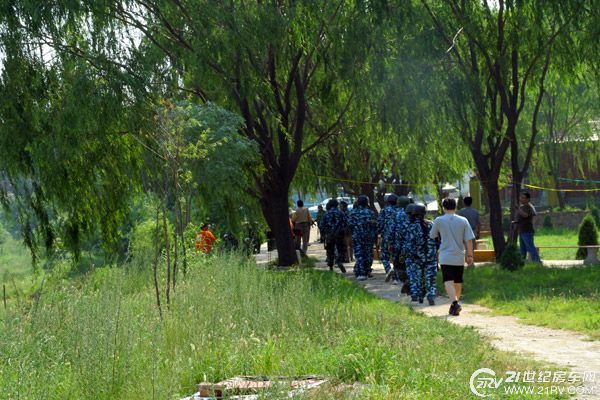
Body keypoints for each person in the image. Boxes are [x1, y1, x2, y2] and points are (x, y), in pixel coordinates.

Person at [430, 198, 475, 316]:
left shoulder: (439, 220)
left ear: (443, 207)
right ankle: (455, 304)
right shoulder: (463, 220)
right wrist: (470, 255)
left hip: (445, 255)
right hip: (459, 255)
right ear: (455, 207)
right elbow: (469, 239)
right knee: (458, 281)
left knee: (448, 281)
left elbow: (432, 235)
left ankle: (455, 303)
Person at [403, 203, 439, 305]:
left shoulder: (412, 227)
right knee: (430, 279)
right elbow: (438, 241)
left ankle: (419, 296)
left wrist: (409, 255)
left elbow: (409, 245)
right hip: (431, 257)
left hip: (417, 258)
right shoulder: (431, 224)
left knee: (418, 277)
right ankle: (431, 296)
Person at [348, 195, 378, 280]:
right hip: (369, 237)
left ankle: (361, 273)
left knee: (359, 254)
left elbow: (349, 225)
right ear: (366, 203)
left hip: (357, 237)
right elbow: (376, 225)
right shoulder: (370, 213)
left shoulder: (353, 213)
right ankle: (367, 270)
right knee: (368, 254)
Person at [390, 196, 412, 293]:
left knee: (398, 263)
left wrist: (390, 242)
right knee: (409, 262)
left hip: (397, 244)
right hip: (409, 243)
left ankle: (402, 280)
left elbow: (391, 230)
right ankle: (409, 280)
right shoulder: (411, 213)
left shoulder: (395, 214)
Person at [319, 199, 347, 273]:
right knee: (341, 249)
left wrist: (323, 234)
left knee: (330, 250)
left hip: (329, 235)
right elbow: (345, 223)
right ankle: (339, 260)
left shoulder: (326, 214)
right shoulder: (340, 213)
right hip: (339, 234)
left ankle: (331, 266)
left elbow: (321, 225)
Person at [377, 194, 400, 284]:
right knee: (395, 257)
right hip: (397, 237)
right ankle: (396, 279)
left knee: (384, 255)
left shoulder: (384, 210)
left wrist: (379, 231)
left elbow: (380, 223)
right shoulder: (399, 211)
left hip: (386, 236)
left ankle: (388, 269)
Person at [513, 191, 541, 262]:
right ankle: (522, 263)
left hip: (527, 231)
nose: (521, 199)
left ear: (528, 199)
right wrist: (516, 222)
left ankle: (537, 261)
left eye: (523, 198)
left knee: (530, 247)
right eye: (520, 197)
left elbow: (526, 215)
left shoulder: (529, 207)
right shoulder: (522, 207)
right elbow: (522, 218)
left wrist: (518, 209)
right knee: (522, 249)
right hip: (522, 231)